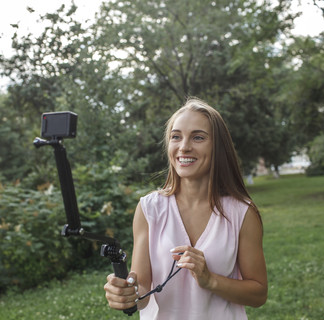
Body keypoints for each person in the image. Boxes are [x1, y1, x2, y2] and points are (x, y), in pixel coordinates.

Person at [104, 97, 267, 319]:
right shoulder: (149, 208)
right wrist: (126, 294)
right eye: (176, 137)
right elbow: (142, 289)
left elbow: (258, 294)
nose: (184, 147)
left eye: (198, 137)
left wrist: (210, 279)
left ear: (218, 146)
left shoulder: (242, 213)